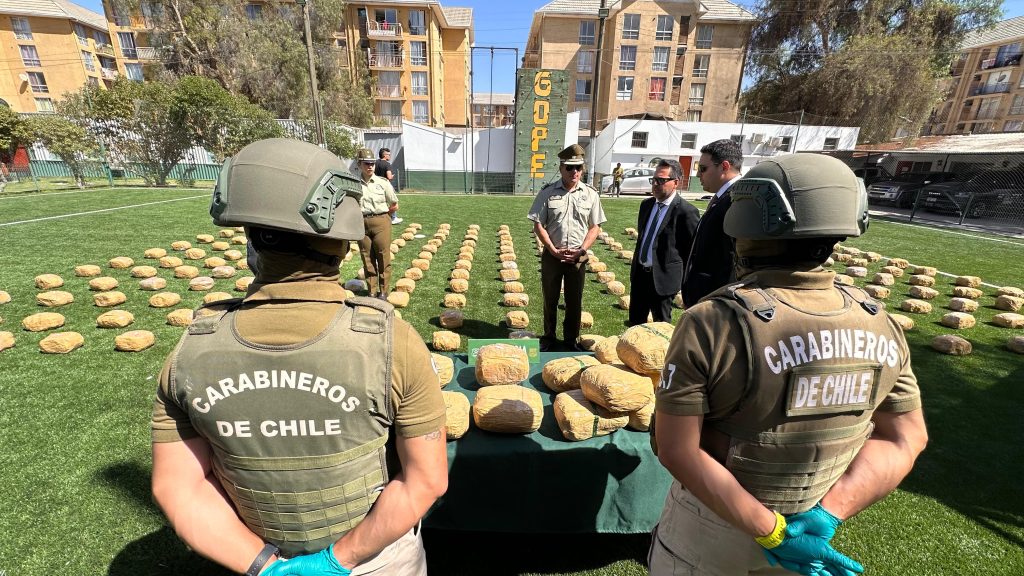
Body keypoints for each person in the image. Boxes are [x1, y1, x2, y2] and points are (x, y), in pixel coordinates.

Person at [150, 138, 448, 576]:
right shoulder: (393, 343)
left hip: (250, 558)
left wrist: (266, 566)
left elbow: (178, 487)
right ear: (342, 244)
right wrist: (336, 560)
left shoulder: (191, 352)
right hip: (376, 560)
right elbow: (426, 479)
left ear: (251, 239)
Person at [649, 153, 928, 576]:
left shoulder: (713, 322)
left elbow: (677, 449)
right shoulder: (879, 321)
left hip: (712, 531)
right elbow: (907, 438)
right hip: (811, 533)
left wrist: (773, 532)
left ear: (745, 227)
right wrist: (829, 512)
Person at [528, 143, 606, 352]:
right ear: (561, 168)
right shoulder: (547, 193)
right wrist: (552, 249)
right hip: (553, 255)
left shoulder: (591, 194)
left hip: (578, 256)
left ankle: (571, 340)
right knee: (550, 299)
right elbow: (538, 224)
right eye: (570, 167)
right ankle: (549, 337)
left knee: (574, 301)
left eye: (579, 167)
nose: (575, 172)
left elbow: (595, 227)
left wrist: (582, 250)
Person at [628, 159, 699, 326]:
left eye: (661, 180)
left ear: (676, 182)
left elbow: (691, 252)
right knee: (635, 324)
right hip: (640, 276)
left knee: (661, 327)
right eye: (654, 179)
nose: (655, 184)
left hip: (663, 281)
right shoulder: (646, 205)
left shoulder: (686, 211)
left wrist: (685, 285)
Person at [681, 139, 743, 308]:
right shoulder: (723, 198)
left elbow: (732, 261)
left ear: (724, 166)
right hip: (704, 299)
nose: (698, 175)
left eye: (703, 169)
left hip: (715, 303)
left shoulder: (737, 200)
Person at [357, 147, 399, 298]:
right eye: (366, 163)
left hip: (381, 221)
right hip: (361, 223)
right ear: (359, 164)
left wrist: (385, 216)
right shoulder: (354, 184)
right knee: (367, 258)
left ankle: (383, 291)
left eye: (372, 163)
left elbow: (394, 204)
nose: (370, 166)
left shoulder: (383, 183)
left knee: (383, 257)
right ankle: (372, 291)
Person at [375, 148, 402, 224]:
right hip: (385, 185)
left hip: (376, 185)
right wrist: (392, 176)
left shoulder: (375, 163)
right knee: (393, 202)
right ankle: (393, 218)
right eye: (389, 155)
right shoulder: (387, 164)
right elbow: (389, 177)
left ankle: (379, 217)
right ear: (384, 155)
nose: (390, 156)